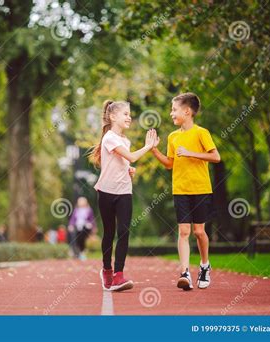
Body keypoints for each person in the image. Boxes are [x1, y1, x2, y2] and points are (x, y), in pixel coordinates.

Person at [151, 92, 220, 290]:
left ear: (187, 111)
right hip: (180, 189)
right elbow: (169, 164)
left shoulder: (201, 133)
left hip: (200, 188)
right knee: (183, 231)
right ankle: (185, 273)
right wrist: (154, 150)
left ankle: (205, 266)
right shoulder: (173, 137)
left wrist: (190, 153)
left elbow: (216, 157)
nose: (171, 113)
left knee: (199, 231)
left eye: (174, 110)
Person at [90, 99, 157, 291]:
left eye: (129, 114)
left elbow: (126, 162)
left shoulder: (125, 141)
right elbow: (131, 156)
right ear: (113, 116)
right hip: (106, 192)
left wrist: (129, 170)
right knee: (109, 233)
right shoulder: (109, 137)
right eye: (125, 114)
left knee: (124, 232)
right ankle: (106, 270)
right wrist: (148, 146)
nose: (129, 117)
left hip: (124, 192)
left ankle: (119, 275)